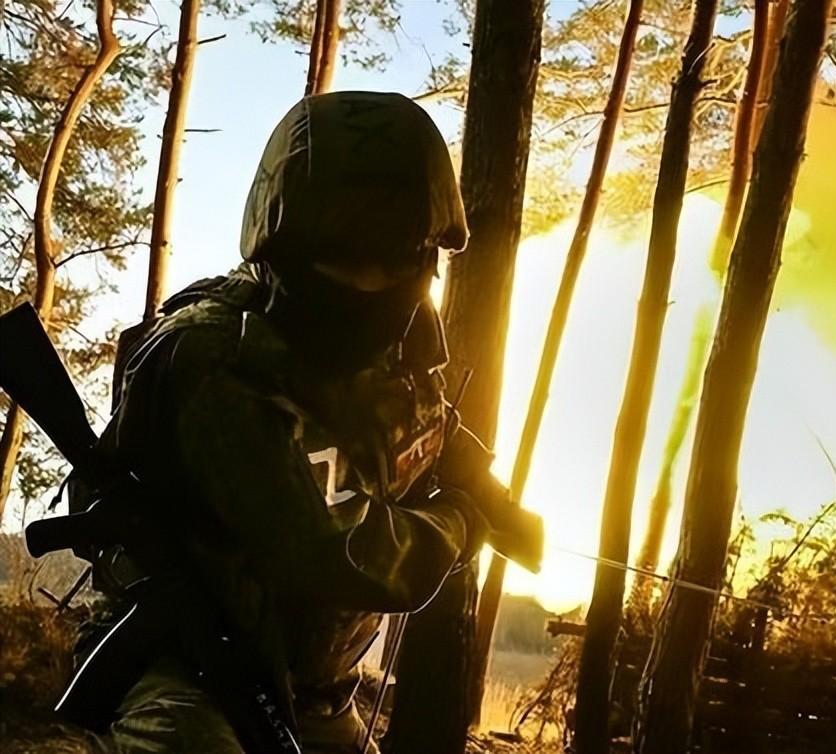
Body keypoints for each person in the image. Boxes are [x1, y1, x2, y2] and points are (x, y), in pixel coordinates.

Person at [69, 91, 531, 753]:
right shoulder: (215, 358)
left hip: (313, 695)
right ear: (282, 246)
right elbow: (341, 552)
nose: (371, 282)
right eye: (344, 257)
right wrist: (460, 522)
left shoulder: (401, 347)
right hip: (187, 672)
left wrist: (490, 494)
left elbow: (432, 431)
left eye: (396, 259)